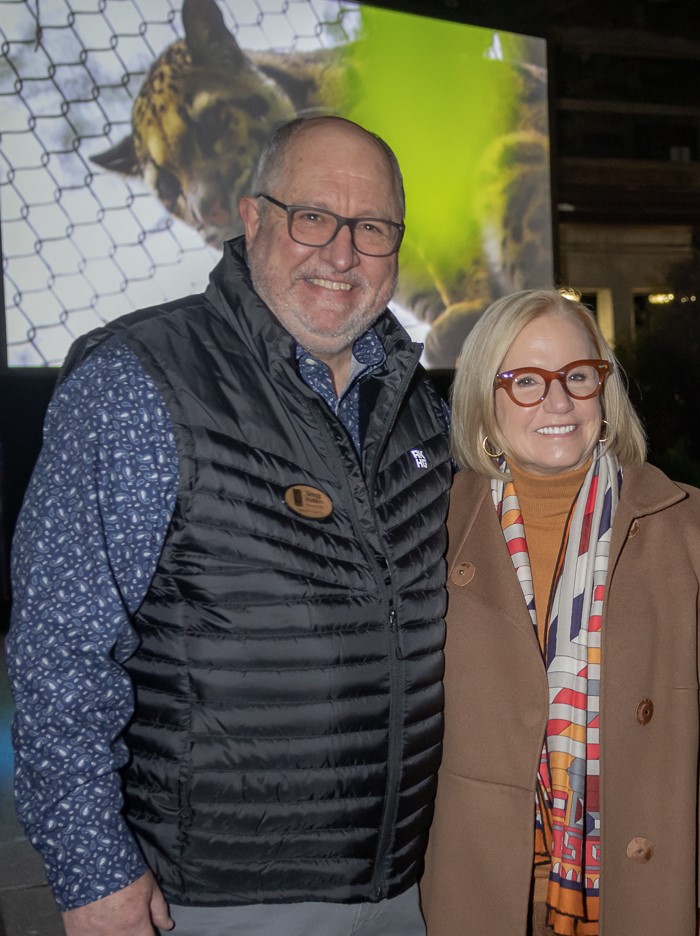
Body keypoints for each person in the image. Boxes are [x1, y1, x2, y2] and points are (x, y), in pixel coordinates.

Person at [7, 116, 452, 936]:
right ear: (252, 219)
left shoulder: (419, 407)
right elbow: (59, 649)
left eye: (373, 227)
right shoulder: (140, 381)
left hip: (406, 885)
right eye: (312, 217)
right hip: (216, 897)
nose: (342, 254)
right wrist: (93, 871)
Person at [419, 288, 700, 936]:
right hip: (477, 884)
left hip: (641, 885)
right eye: (527, 380)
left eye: (578, 375)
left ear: (603, 391)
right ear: (485, 397)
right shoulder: (430, 527)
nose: (558, 401)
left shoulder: (690, 528)